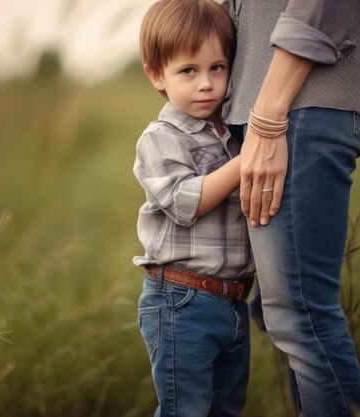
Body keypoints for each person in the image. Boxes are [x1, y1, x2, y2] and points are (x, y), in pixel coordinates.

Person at [222, 1, 360, 416]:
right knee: (283, 314)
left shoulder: (277, 112)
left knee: (300, 314)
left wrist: (268, 116)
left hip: (294, 96)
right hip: (265, 97)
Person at [133, 0, 255, 416]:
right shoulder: (160, 137)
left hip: (233, 302)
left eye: (217, 68)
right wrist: (247, 161)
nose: (206, 84)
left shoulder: (232, 132)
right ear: (157, 75)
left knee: (226, 410)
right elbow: (188, 201)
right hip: (182, 301)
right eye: (189, 70)